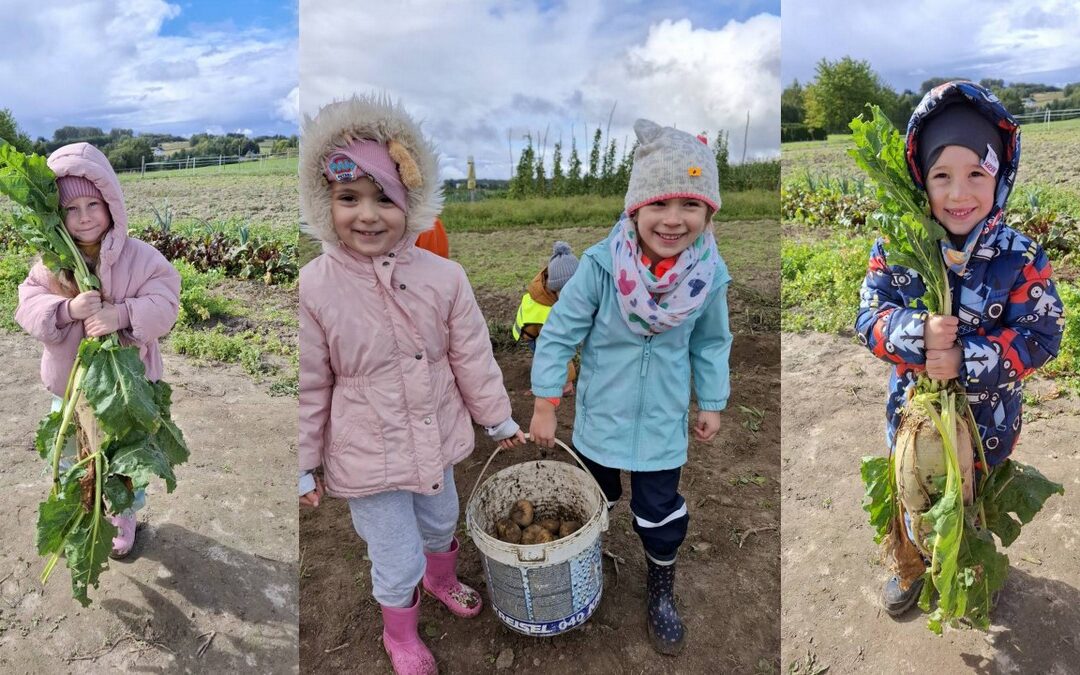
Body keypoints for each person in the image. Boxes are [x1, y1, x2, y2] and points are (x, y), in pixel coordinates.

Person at [297, 94, 525, 675]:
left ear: (412, 204)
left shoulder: (445, 278)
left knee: (441, 520)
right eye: (349, 198)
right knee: (395, 555)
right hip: (365, 454)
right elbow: (309, 384)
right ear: (325, 203)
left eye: (385, 199)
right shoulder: (315, 287)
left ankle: (440, 578)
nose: (367, 215)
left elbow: (472, 355)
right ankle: (400, 633)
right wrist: (302, 461)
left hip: (433, 437)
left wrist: (497, 417)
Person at [854, 80, 1065, 615]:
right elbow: (868, 318)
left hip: (987, 425)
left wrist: (967, 359)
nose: (958, 194)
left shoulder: (1020, 257)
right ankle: (911, 564)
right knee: (914, 493)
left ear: (1000, 176)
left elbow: (1043, 336)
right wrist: (916, 333)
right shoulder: (896, 249)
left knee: (974, 499)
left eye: (976, 174)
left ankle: (968, 565)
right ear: (919, 179)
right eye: (941, 176)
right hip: (914, 415)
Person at [528, 118, 731, 656]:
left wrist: (711, 401)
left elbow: (712, 342)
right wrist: (545, 402)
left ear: (709, 213)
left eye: (691, 205)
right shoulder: (601, 265)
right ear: (635, 208)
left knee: (659, 512)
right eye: (659, 203)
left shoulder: (708, 275)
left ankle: (660, 586)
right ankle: (587, 556)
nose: (673, 219)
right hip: (601, 417)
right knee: (595, 499)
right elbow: (559, 333)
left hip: (662, 423)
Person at [15, 142, 181, 558]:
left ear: (111, 205)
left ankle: (124, 513)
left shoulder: (140, 257)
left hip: (125, 392)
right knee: (71, 456)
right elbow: (27, 308)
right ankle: (81, 512)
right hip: (71, 390)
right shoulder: (50, 265)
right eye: (72, 209)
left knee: (125, 460)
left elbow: (166, 304)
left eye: (94, 204)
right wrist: (67, 309)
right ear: (57, 215)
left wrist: (121, 315)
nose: (85, 216)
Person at [513, 240, 579, 394]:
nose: (572, 297)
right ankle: (547, 386)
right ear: (555, 289)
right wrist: (569, 381)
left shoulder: (549, 290)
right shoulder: (547, 311)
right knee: (549, 358)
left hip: (537, 329)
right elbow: (559, 347)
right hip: (535, 333)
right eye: (566, 292)